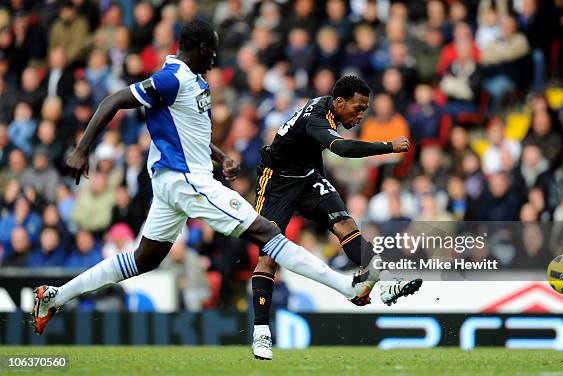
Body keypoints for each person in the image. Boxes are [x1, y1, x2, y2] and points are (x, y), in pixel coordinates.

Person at [31, 20, 383, 338]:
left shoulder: (194, 82)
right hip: (188, 181)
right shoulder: (171, 79)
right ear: (200, 50)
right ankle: (348, 288)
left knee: (144, 259)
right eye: (212, 52)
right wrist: (82, 148)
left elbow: (189, 131)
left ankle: (55, 296)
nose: (215, 60)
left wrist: (220, 155)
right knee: (267, 232)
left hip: (174, 183)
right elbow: (114, 99)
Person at [251, 75, 421, 360]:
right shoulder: (318, 119)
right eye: (357, 108)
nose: (360, 114)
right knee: (268, 255)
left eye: (365, 109)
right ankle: (261, 334)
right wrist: (387, 146)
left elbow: (311, 147)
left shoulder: (329, 107)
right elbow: (341, 149)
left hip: (307, 178)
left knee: (346, 225)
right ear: (339, 102)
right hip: (277, 182)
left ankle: (387, 282)